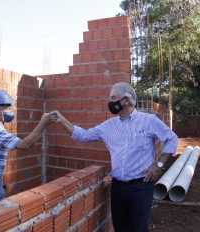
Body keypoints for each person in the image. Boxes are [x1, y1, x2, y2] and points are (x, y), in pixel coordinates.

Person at [52, 82, 178, 232]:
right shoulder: (109, 125)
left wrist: (158, 164)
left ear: (126, 100)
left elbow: (172, 138)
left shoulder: (148, 121)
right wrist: (61, 120)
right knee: (120, 228)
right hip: (118, 187)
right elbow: (83, 135)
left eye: (113, 98)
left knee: (139, 228)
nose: (110, 102)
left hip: (141, 186)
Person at [0, 90, 53, 208]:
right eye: (6, 108)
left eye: (10, 108)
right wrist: (43, 124)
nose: (10, 111)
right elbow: (25, 145)